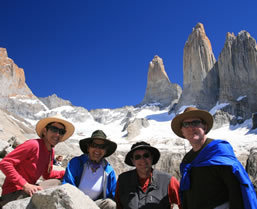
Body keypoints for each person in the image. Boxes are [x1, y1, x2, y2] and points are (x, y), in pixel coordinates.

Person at [171, 106, 257, 209]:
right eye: (186, 124)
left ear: (205, 127)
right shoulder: (187, 159)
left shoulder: (218, 149)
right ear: (182, 132)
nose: (191, 127)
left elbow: (236, 190)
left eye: (196, 123)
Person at [0, 115, 75, 207]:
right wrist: (25, 185)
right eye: (54, 129)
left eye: (61, 132)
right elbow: (5, 163)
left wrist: (66, 172)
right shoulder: (33, 145)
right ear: (44, 131)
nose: (57, 134)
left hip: (29, 188)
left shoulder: (50, 151)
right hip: (13, 193)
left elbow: (47, 174)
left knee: (59, 184)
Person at [115, 141, 182, 209]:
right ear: (133, 161)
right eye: (138, 157)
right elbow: (118, 205)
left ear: (152, 157)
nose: (142, 160)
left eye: (146, 155)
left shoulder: (168, 181)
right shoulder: (123, 180)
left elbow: (184, 203)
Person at [62, 130, 117, 209]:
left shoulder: (108, 170)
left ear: (105, 151)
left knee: (111, 204)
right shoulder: (76, 163)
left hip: (95, 205)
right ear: (88, 148)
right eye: (94, 145)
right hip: (74, 201)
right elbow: (68, 185)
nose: (97, 149)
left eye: (102, 147)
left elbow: (114, 193)